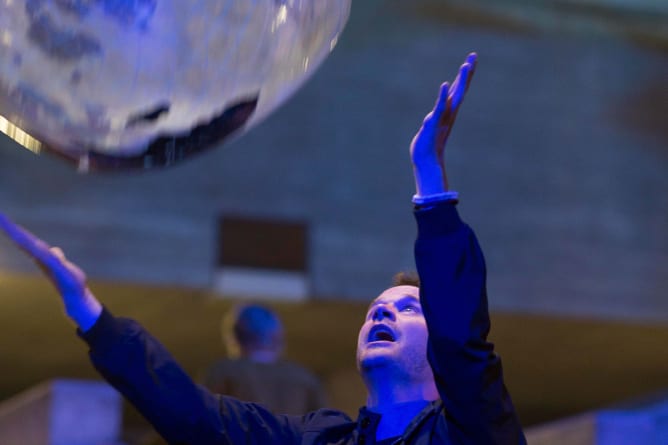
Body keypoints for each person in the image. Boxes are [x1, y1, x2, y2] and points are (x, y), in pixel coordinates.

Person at [0, 52, 527, 444]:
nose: (382, 314)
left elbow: (463, 340)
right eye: (377, 310)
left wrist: (429, 176)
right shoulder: (316, 438)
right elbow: (193, 415)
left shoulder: (474, 430)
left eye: (409, 309)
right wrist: (90, 313)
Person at [200, 303, 327, 414]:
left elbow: (202, 421)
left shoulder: (224, 372)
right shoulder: (305, 378)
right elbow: (323, 432)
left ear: (234, 338)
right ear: (278, 337)